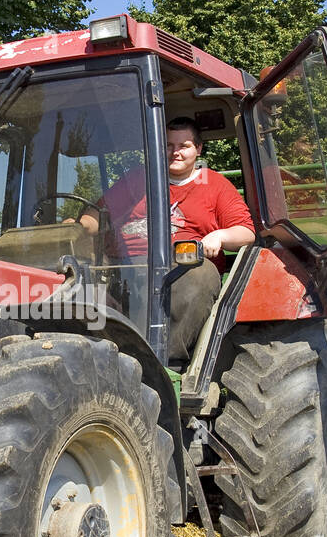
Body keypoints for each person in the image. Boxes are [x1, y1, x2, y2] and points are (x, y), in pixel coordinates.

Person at [74, 117, 255, 364]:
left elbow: (246, 232)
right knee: (77, 275)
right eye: (169, 145)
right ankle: (95, 358)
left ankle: (165, 364)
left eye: (184, 145)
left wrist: (219, 236)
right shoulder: (138, 180)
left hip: (182, 265)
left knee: (200, 276)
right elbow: (96, 215)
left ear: (198, 149)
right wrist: (77, 229)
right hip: (125, 265)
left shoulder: (215, 184)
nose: (175, 152)